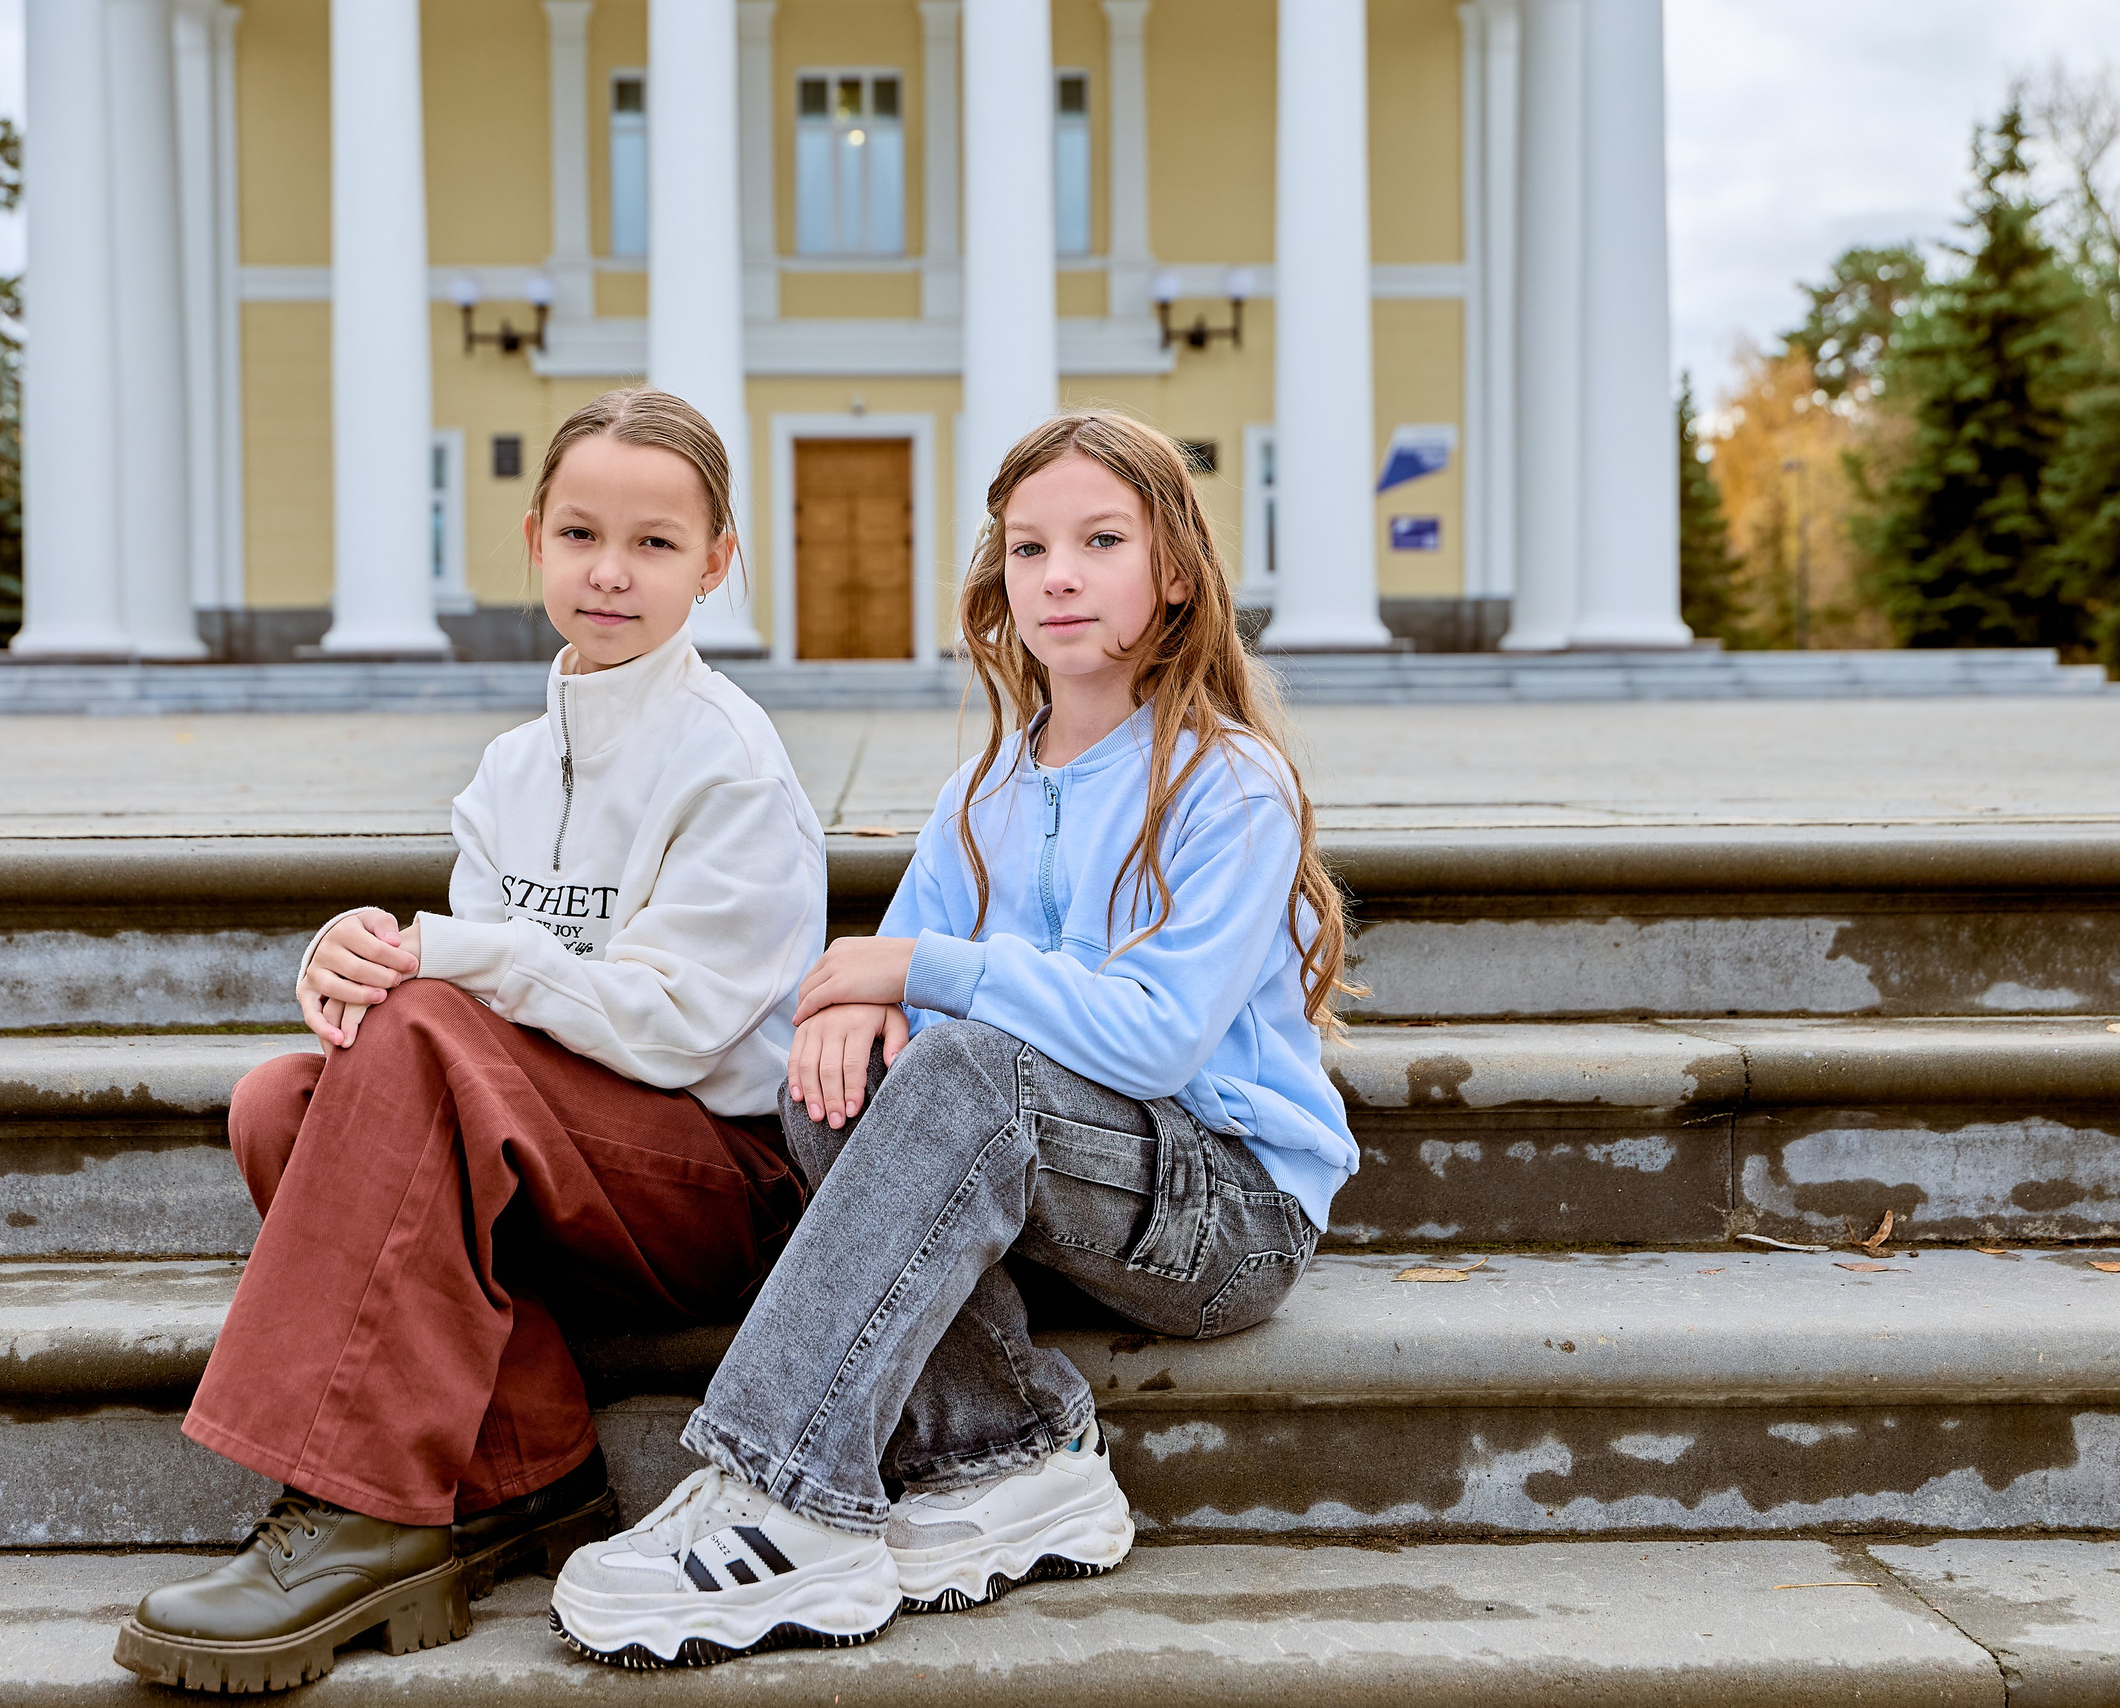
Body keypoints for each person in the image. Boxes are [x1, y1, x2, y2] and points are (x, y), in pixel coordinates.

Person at [548, 410, 1360, 1670]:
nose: (1061, 576)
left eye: (1101, 540)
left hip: (1224, 1210)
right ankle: (1012, 1453)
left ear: (1176, 574)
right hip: (1068, 1188)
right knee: (832, 1081)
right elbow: (902, 1002)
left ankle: (786, 1490)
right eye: (1030, 548)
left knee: (963, 1064)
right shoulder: (982, 789)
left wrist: (918, 968)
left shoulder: (1225, 781)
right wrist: (868, 1000)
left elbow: (1149, 1043)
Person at [114, 389, 823, 1694]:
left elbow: (673, 1030)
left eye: (658, 544)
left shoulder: (733, 768)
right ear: (534, 540)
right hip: (562, 1167)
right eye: (582, 533)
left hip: (715, 1192)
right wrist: (358, 965)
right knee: (285, 1098)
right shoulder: (508, 769)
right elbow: (475, 1007)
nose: (612, 571)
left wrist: (452, 956)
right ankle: (528, 1468)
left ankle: (354, 1497)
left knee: (424, 1026)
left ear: (717, 563)